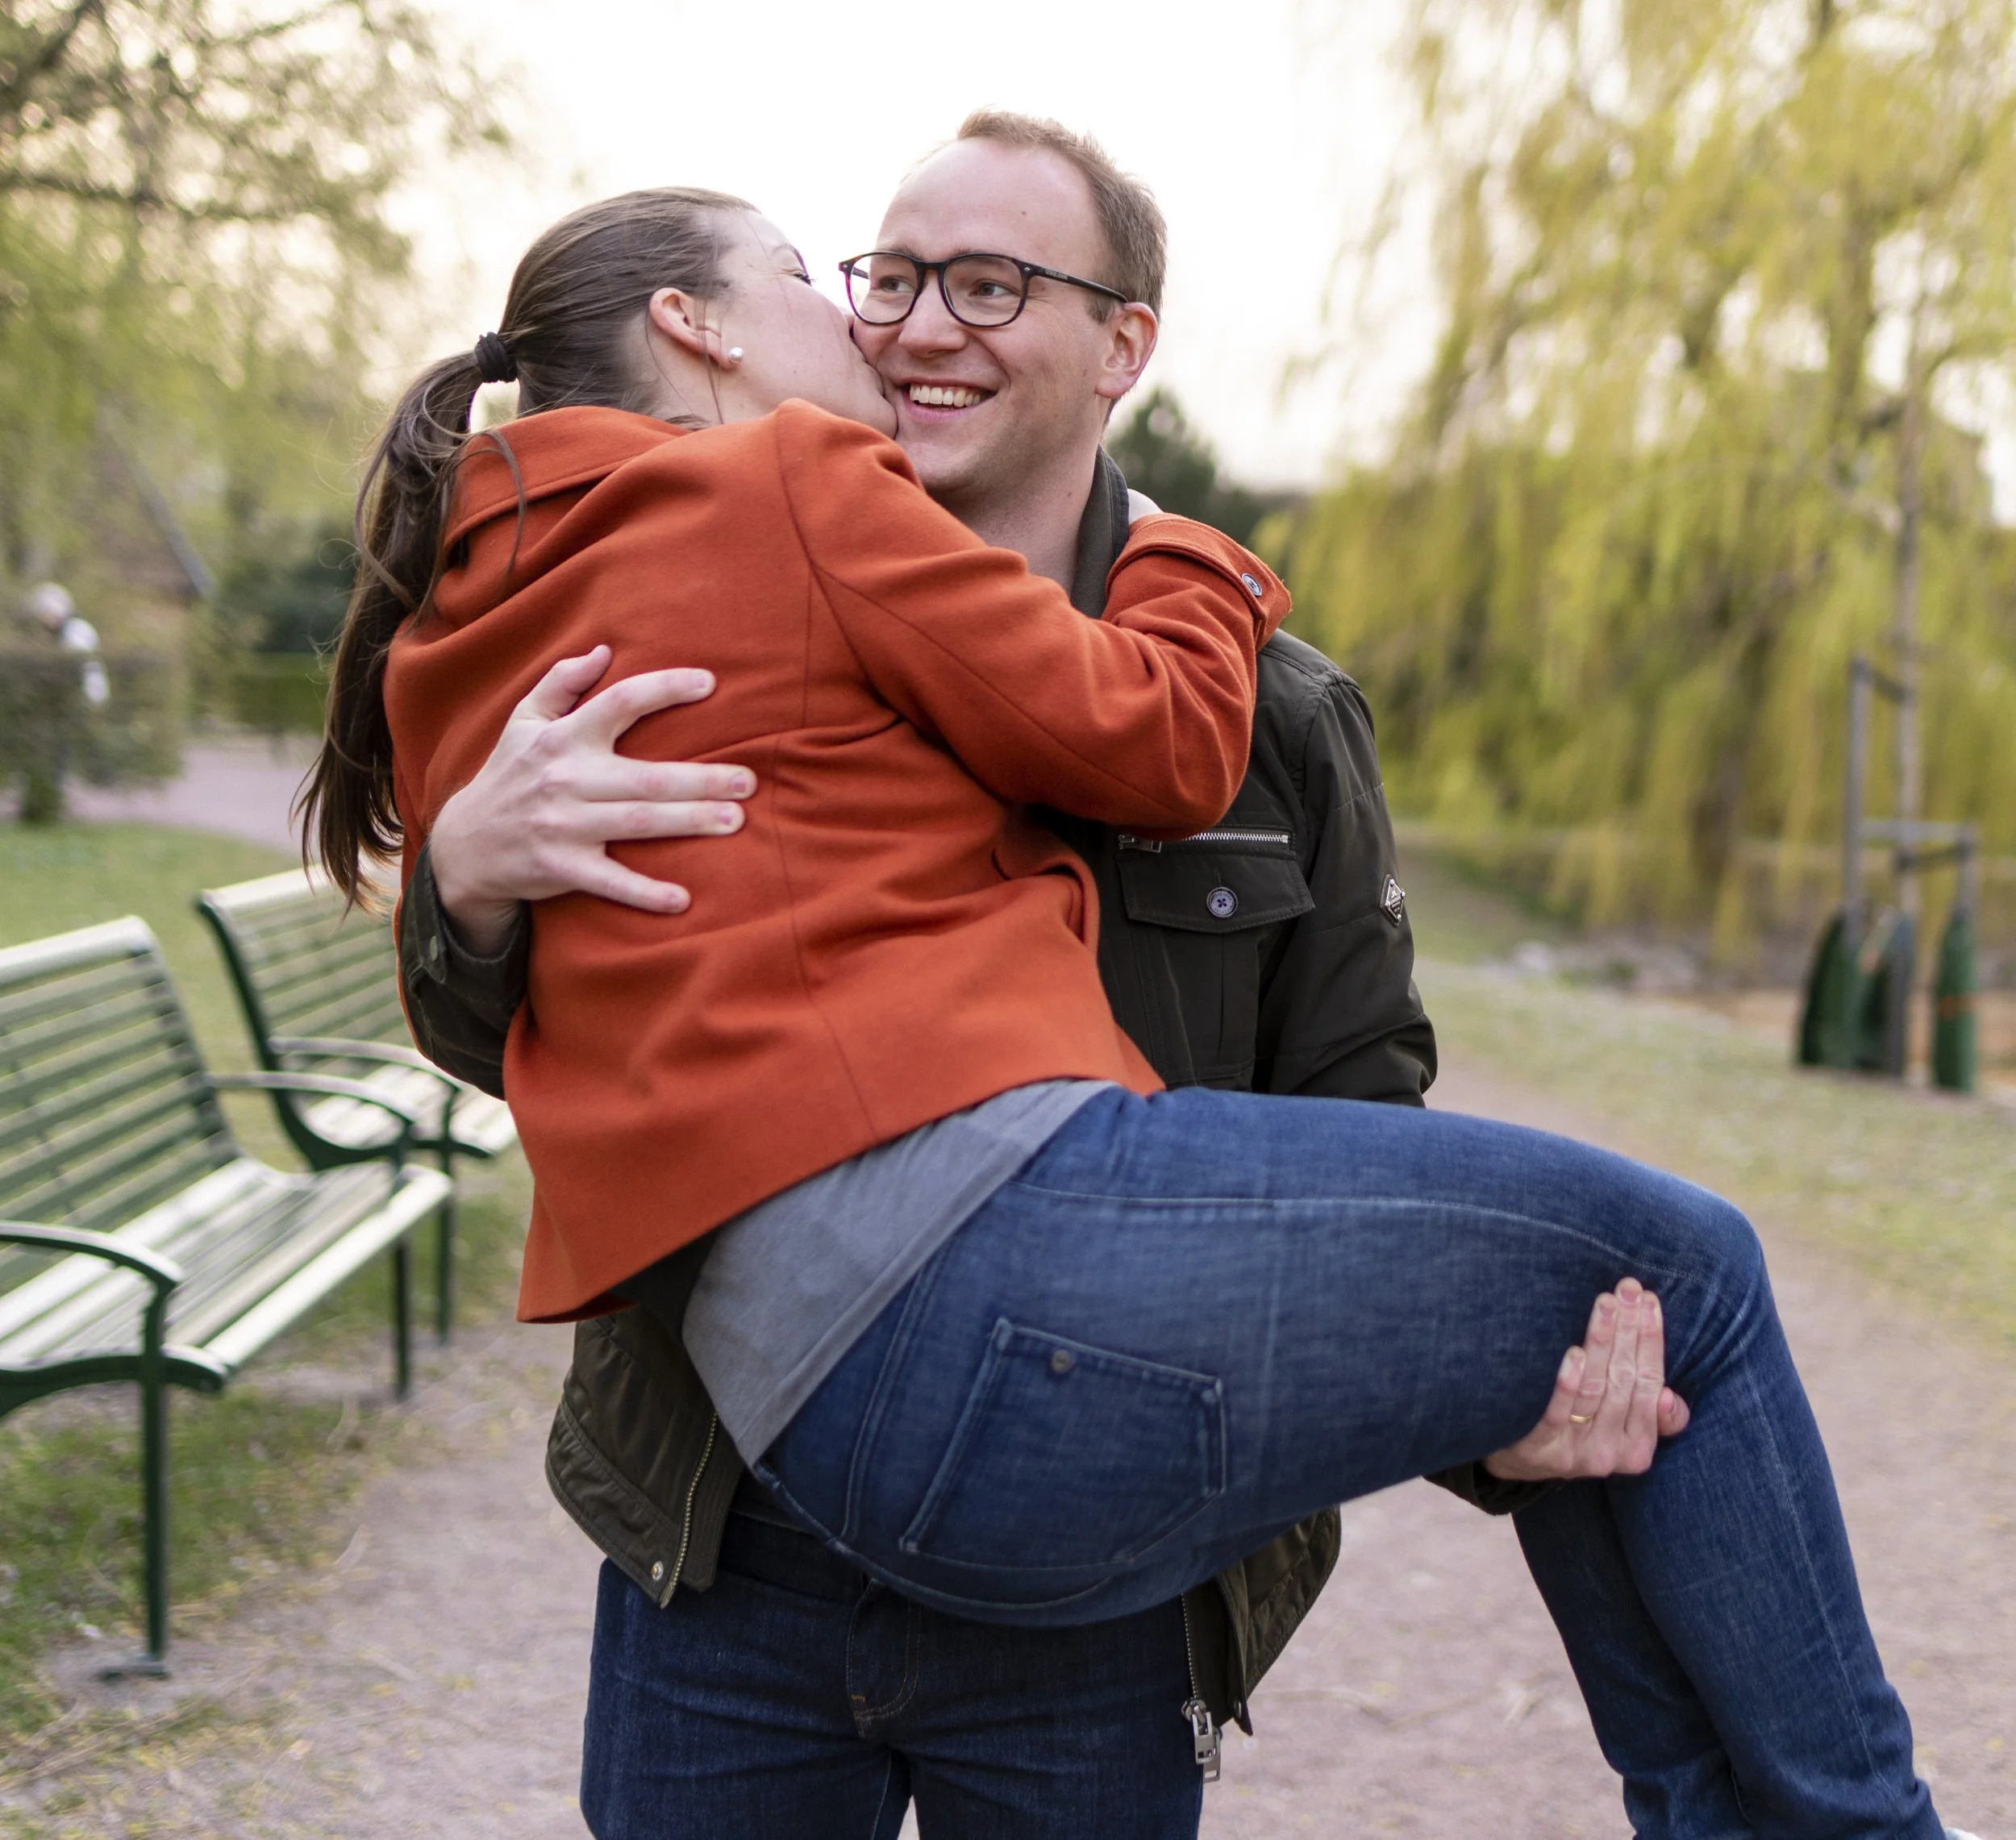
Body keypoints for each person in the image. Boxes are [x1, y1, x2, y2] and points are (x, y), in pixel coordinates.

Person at [308, 178, 1966, 1840]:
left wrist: (1488, 1403)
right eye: (872, 276)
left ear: (1122, 347)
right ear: (696, 324)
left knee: (1642, 1294)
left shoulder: (479, 605)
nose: (906, 323)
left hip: (1001, 1490)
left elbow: (1348, 1119)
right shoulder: (795, 500)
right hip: (772, 1491)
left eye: (989, 283)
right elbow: (522, 1032)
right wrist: (469, 882)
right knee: (1685, 1269)